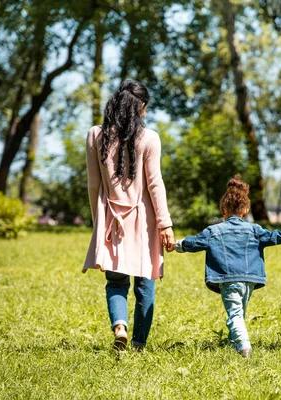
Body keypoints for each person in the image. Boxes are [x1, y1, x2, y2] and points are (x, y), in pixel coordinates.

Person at [173, 175, 281, 358]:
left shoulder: (213, 231)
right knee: (240, 312)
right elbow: (274, 236)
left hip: (228, 279)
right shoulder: (254, 230)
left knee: (235, 315)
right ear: (245, 211)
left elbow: (193, 243)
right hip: (250, 279)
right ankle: (234, 342)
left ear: (223, 210)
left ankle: (244, 346)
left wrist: (175, 245)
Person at [83, 80, 175, 351]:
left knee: (116, 283)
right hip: (144, 223)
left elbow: (93, 184)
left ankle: (120, 326)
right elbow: (155, 183)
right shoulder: (149, 138)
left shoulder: (95, 135)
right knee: (145, 283)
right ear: (141, 108)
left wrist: (97, 221)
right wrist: (165, 224)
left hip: (111, 218)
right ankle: (138, 344)